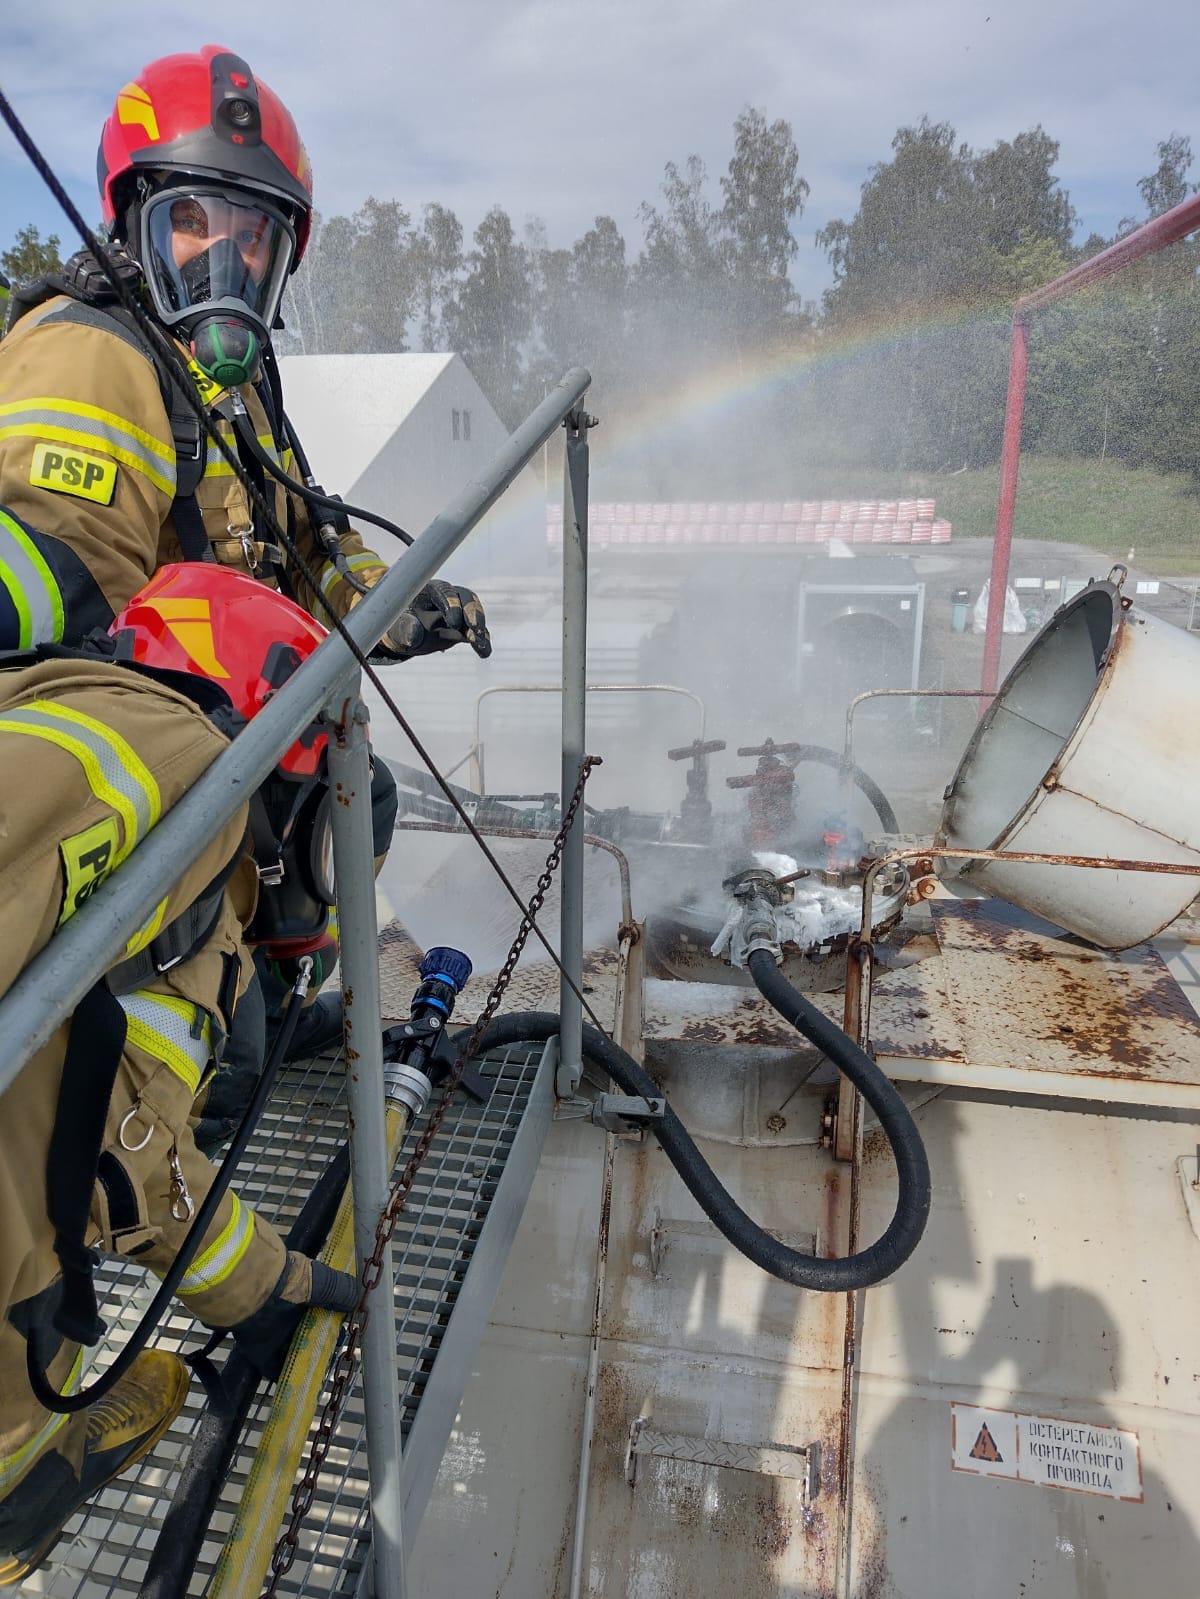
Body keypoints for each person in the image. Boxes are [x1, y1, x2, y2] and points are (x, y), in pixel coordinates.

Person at [0, 43, 490, 1069]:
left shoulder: (237, 389)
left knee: (362, 797)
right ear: (132, 224)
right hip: (135, 752)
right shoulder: (90, 350)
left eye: (251, 235)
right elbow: (49, 575)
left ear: (282, 254)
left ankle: (257, 1017)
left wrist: (396, 601)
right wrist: (224, 649)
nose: (224, 258)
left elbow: (306, 546)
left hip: (240, 741)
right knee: (290, 826)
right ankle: (191, 1091)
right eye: (190, 221)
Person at [0, 641, 360, 1585]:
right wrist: (272, 1286)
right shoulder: (180, 764)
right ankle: (14, 1480)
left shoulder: (103, 753)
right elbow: (136, 1158)